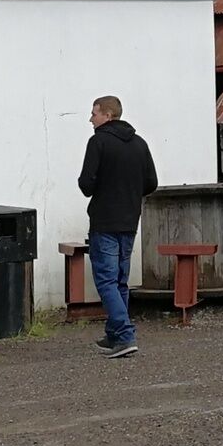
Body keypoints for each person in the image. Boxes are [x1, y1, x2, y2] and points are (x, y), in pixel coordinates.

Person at [77, 96, 156, 361]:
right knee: (120, 280)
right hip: (130, 220)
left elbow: (86, 184)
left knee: (106, 280)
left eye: (94, 113)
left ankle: (124, 335)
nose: (91, 119)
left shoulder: (97, 142)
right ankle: (113, 334)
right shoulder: (139, 144)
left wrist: (100, 186)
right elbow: (151, 183)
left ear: (108, 115)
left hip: (104, 222)